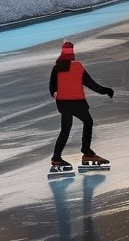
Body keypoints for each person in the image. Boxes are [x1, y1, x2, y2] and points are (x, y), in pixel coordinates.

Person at [49, 40, 114, 173]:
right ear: (72, 53)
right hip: (77, 102)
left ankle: (56, 157)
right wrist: (105, 90)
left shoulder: (56, 68)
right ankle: (86, 152)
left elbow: (52, 87)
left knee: (65, 129)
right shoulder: (77, 66)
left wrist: (55, 94)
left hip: (63, 104)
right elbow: (91, 84)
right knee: (88, 122)